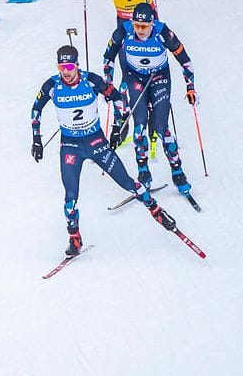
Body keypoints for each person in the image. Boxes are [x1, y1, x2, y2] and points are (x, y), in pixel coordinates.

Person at [30, 45, 177, 256]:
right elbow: (36, 109)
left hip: (96, 143)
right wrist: (36, 138)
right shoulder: (52, 85)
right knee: (70, 197)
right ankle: (74, 239)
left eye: (70, 66)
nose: (66, 71)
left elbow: (118, 99)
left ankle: (157, 211)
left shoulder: (91, 80)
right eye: (62, 67)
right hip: (71, 147)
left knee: (128, 183)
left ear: (77, 65)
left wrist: (118, 127)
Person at [103, 3, 198, 195]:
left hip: (159, 78)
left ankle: (178, 172)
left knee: (162, 128)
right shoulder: (123, 31)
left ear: (152, 23)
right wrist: (108, 85)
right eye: (137, 25)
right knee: (139, 127)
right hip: (135, 77)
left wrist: (190, 88)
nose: (140, 30)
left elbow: (185, 60)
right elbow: (108, 58)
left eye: (144, 27)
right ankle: (143, 173)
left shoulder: (163, 33)